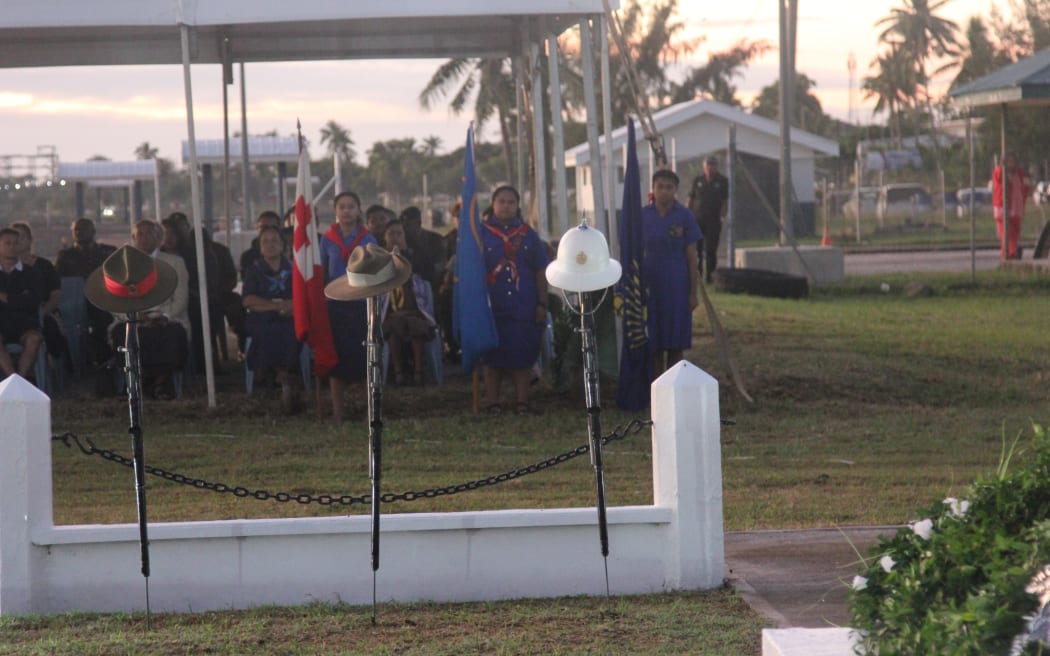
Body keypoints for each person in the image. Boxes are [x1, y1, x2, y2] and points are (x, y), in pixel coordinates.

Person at [479, 185, 549, 416]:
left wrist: (541, 303)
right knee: (492, 356)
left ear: (517, 205)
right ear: (493, 204)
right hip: (492, 304)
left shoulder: (528, 234)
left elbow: (540, 270)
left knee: (523, 355)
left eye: (511, 202)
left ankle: (522, 403)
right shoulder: (482, 233)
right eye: (502, 201)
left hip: (523, 304)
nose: (506, 206)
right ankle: (493, 402)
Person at [108, 220, 190, 399]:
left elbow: (181, 298)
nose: (145, 239)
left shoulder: (175, 263)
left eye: (150, 234)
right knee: (124, 334)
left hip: (167, 318)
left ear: (159, 238)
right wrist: (135, 316)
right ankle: (137, 381)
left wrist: (164, 316)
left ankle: (161, 381)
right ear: (134, 239)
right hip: (132, 319)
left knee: (172, 334)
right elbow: (116, 301)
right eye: (141, 235)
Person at [320, 190, 377, 423]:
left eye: (351, 206)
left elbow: (375, 271)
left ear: (358, 210)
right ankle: (338, 412)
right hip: (335, 306)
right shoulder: (327, 239)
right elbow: (321, 272)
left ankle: (368, 411)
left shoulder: (368, 239)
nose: (346, 211)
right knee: (336, 359)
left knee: (363, 358)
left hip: (360, 305)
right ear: (335, 211)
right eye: (341, 207)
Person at [643, 169, 701, 379]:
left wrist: (693, 293)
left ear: (676, 190)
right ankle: (657, 391)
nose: (664, 191)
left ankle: (676, 388)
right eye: (660, 187)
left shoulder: (684, 216)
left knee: (675, 343)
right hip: (651, 288)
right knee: (654, 343)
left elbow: (692, 257)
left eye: (669, 187)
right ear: (653, 188)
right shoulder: (643, 216)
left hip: (677, 286)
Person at [242, 225, 301, 413]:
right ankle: (280, 374)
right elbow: (249, 301)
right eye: (265, 242)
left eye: (274, 241)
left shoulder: (294, 269)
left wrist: (288, 306)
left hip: (289, 315)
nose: (270, 245)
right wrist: (277, 306)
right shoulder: (254, 270)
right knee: (266, 328)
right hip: (262, 316)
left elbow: (299, 298)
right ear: (260, 247)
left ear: (283, 245)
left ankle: (281, 373)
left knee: (291, 330)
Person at [54, 218, 117, 378]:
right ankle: (76, 368)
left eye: (84, 229)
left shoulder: (107, 253)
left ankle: (105, 363)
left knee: (104, 322)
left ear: (93, 231)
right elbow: (58, 282)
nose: (79, 232)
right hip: (74, 305)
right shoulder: (65, 256)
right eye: (76, 230)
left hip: (103, 302)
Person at [381, 220, 437, 386]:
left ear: (405, 236)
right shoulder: (380, 259)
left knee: (417, 329)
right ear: (385, 237)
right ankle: (398, 372)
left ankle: (418, 372)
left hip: (414, 310)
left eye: (399, 233)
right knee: (392, 331)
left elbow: (426, 281)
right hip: (391, 312)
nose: (395, 238)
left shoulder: (416, 256)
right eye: (391, 234)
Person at [10, 222, 64, 367]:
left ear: (30, 240)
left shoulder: (44, 266)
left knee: (46, 329)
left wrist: (40, 313)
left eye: (21, 236)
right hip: (12, 316)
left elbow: (55, 296)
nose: (17, 241)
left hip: (42, 313)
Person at [0, 227, 45, 381]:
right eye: (7, 243)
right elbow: (25, 300)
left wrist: (6, 298)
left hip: (25, 324)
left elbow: (33, 301)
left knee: (34, 339)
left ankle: (21, 379)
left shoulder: (32, 273)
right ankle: (13, 380)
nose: (12, 247)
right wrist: (18, 299)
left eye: (15, 243)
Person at [687, 155, 729, 284]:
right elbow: (690, 199)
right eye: (707, 165)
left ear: (716, 166)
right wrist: (687, 216)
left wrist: (722, 217)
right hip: (697, 220)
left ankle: (710, 278)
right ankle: (697, 278)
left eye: (712, 165)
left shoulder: (722, 181)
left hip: (713, 221)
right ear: (704, 167)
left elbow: (724, 201)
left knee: (711, 250)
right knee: (697, 251)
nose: (710, 167)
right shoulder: (698, 180)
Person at [992, 152, 1031, 260]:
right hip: (1003, 209)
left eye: (1013, 161)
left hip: (1017, 209)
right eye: (1008, 161)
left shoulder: (1020, 174)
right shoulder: (999, 172)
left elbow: (1027, 187)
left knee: (1014, 233)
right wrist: (1004, 169)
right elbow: (999, 178)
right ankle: (1010, 253)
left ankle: (1009, 254)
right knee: (1007, 234)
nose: (1011, 164)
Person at [400, 205, 445, 290]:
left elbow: (438, 267)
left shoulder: (435, 240)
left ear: (419, 223)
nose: (404, 228)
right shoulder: (404, 240)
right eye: (402, 225)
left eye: (408, 225)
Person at [240, 210, 282, 277]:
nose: (269, 230)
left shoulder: (290, 252)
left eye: (274, 227)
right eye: (264, 227)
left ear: (280, 228)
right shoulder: (248, 257)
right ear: (257, 229)